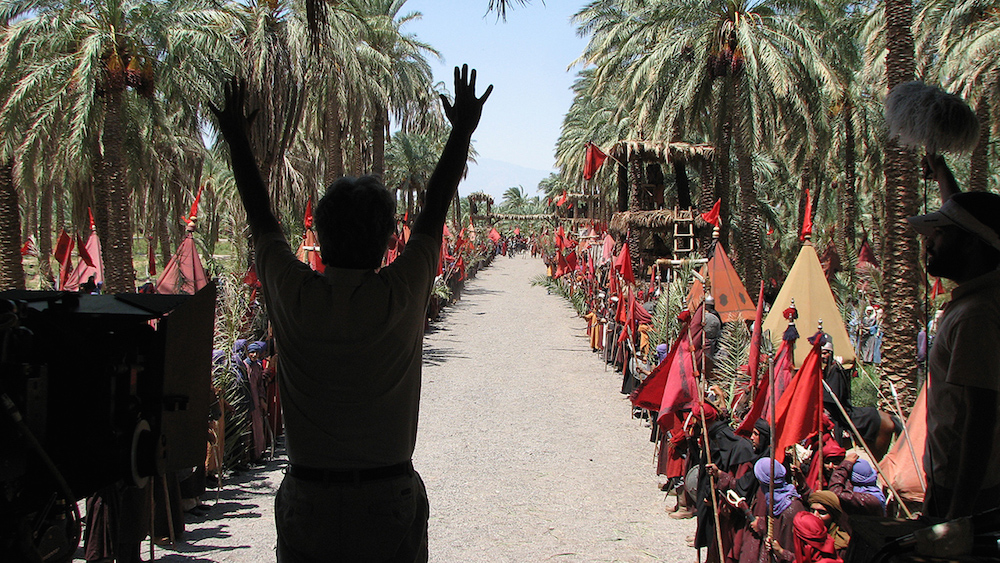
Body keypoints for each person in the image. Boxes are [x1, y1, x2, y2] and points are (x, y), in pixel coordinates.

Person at [211, 65, 490, 562]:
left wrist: (235, 138)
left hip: (310, 502)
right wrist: (460, 132)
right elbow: (434, 207)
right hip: (387, 502)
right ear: (388, 242)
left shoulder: (295, 296)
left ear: (318, 234)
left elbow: (261, 219)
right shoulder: (399, 295)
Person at [907, 185, 1000, 519]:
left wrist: (957, 517)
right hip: (956, 486)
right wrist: (941, 170)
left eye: (940, 234)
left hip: (964, 493)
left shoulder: (976, 316)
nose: (928, 242)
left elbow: (980, 419)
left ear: (972, 244)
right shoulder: (980, 301)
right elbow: (976, 220)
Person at [807, 491, 851, 557]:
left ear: (833, 516)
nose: (815, 515)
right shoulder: (804, 534)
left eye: (822, 512)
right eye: (812, 511)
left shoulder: (841, 546)